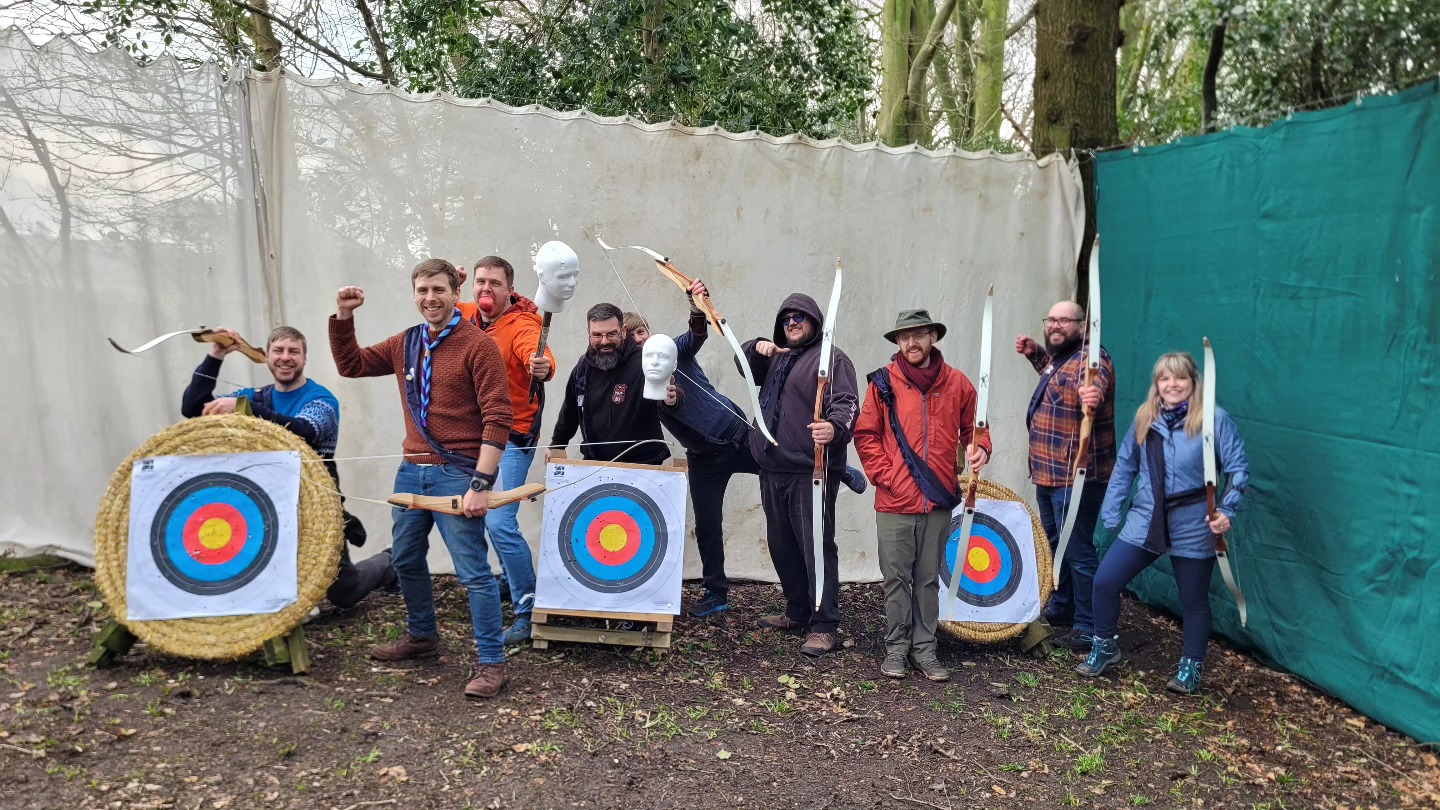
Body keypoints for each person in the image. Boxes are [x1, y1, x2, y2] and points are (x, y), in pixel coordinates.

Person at [329, 258, 516, 699]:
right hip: (411, 471)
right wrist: (344, 315)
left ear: (456, 294)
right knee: (407, 560)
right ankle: (422, 637)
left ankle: (492, 662)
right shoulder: (406, 343)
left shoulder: (478, 345)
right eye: (422, 291)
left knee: (473, 574)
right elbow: (351, 365)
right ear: (414, 295)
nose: (430, 298)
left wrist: (480, 484)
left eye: (438, 290)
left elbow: (498, 418)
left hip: (458, 475)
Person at [181, 325, 395, 609]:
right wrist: (216, 356)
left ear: (304, 358)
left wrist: (245, 408)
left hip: (315, 504)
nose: (285, 357)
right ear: (267, 357)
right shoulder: (254, 396)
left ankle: (392, 559)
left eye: (293, 351)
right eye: (278, 351)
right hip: (265, 501)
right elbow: (193, 407)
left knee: (344, 592)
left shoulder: (321, 399)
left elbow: (303, 431)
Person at [1077, 352, 1248, 694]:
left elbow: (1238, 469)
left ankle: (1191, 667)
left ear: (1193, 382)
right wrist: (1111, 512)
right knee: (1105, 581)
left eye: (1179, 378)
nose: (1172, 385)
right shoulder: (1145, 417)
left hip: (1193, 522)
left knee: (1194, 600)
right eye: (1164, 379)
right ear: (1156, 384)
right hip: (1146, 517)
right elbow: (1126, 465)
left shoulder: (1213, 420)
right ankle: (1105, 646)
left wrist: (1226, 510)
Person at [854, 310, 992, 681]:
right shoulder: (883, 384)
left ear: (933, 337)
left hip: (937, 499)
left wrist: (981, 449)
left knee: (929, 578)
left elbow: (975, 428)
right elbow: (865, 435)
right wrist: (888, 478)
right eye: (904, 337)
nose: (911, 343)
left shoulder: (958, 383)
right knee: (896, 578)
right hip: (894, 501)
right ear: (898, 342)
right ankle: (896, 649)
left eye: (918, 335)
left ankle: (926, 650)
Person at [741, 293, 859, 657]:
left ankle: (824, 625)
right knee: (782, 546)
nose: (792, 323)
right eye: (786, 319)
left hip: (811, 471)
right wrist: (753, 346)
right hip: (773, 469)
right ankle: (797, 610)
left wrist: (834, 429)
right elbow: (741, 362)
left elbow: (847, 404)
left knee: (816, 547)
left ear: (815, 323)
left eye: (800, 318)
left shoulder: (832, 360)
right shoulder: (777, 358)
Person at [455, 255, 557, 645]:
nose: (486, 289)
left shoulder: (523, 324)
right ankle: (507, 579)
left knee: (500, 520)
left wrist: (542, 365)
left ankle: (528, 606)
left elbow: (539, 354)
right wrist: (457, 284)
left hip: (513, 435)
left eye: (494, 283)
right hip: (475, 435)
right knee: (475, 513)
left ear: (509, 288)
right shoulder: (469, 314)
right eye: (481, 282)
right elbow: (446, 311)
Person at [1016, 301, 1115, 652]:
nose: (1055, 325)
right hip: (1049, 473)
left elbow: (1093, 384)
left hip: (1077, 477)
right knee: (1057, 542)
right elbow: (1057, 376)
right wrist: (1036, 354)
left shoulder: (1093, 359)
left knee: (1078, 549)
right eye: (1051, 319)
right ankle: (1065, 604)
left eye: (1064, 320)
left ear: (1083, 325)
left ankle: (1090, 625)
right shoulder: (1063, 357)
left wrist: (1094, 395)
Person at [547, 303, 669, 466]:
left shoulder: (646, 364)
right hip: (595, 466)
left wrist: (674, 399)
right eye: (597, 335)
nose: (604, 341)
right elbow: (570, 412)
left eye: (612, 334)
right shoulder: (583, 368)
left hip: (644, 465)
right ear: (589, 334)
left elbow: (671, 402)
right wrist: (557, 444)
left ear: (624, 331)